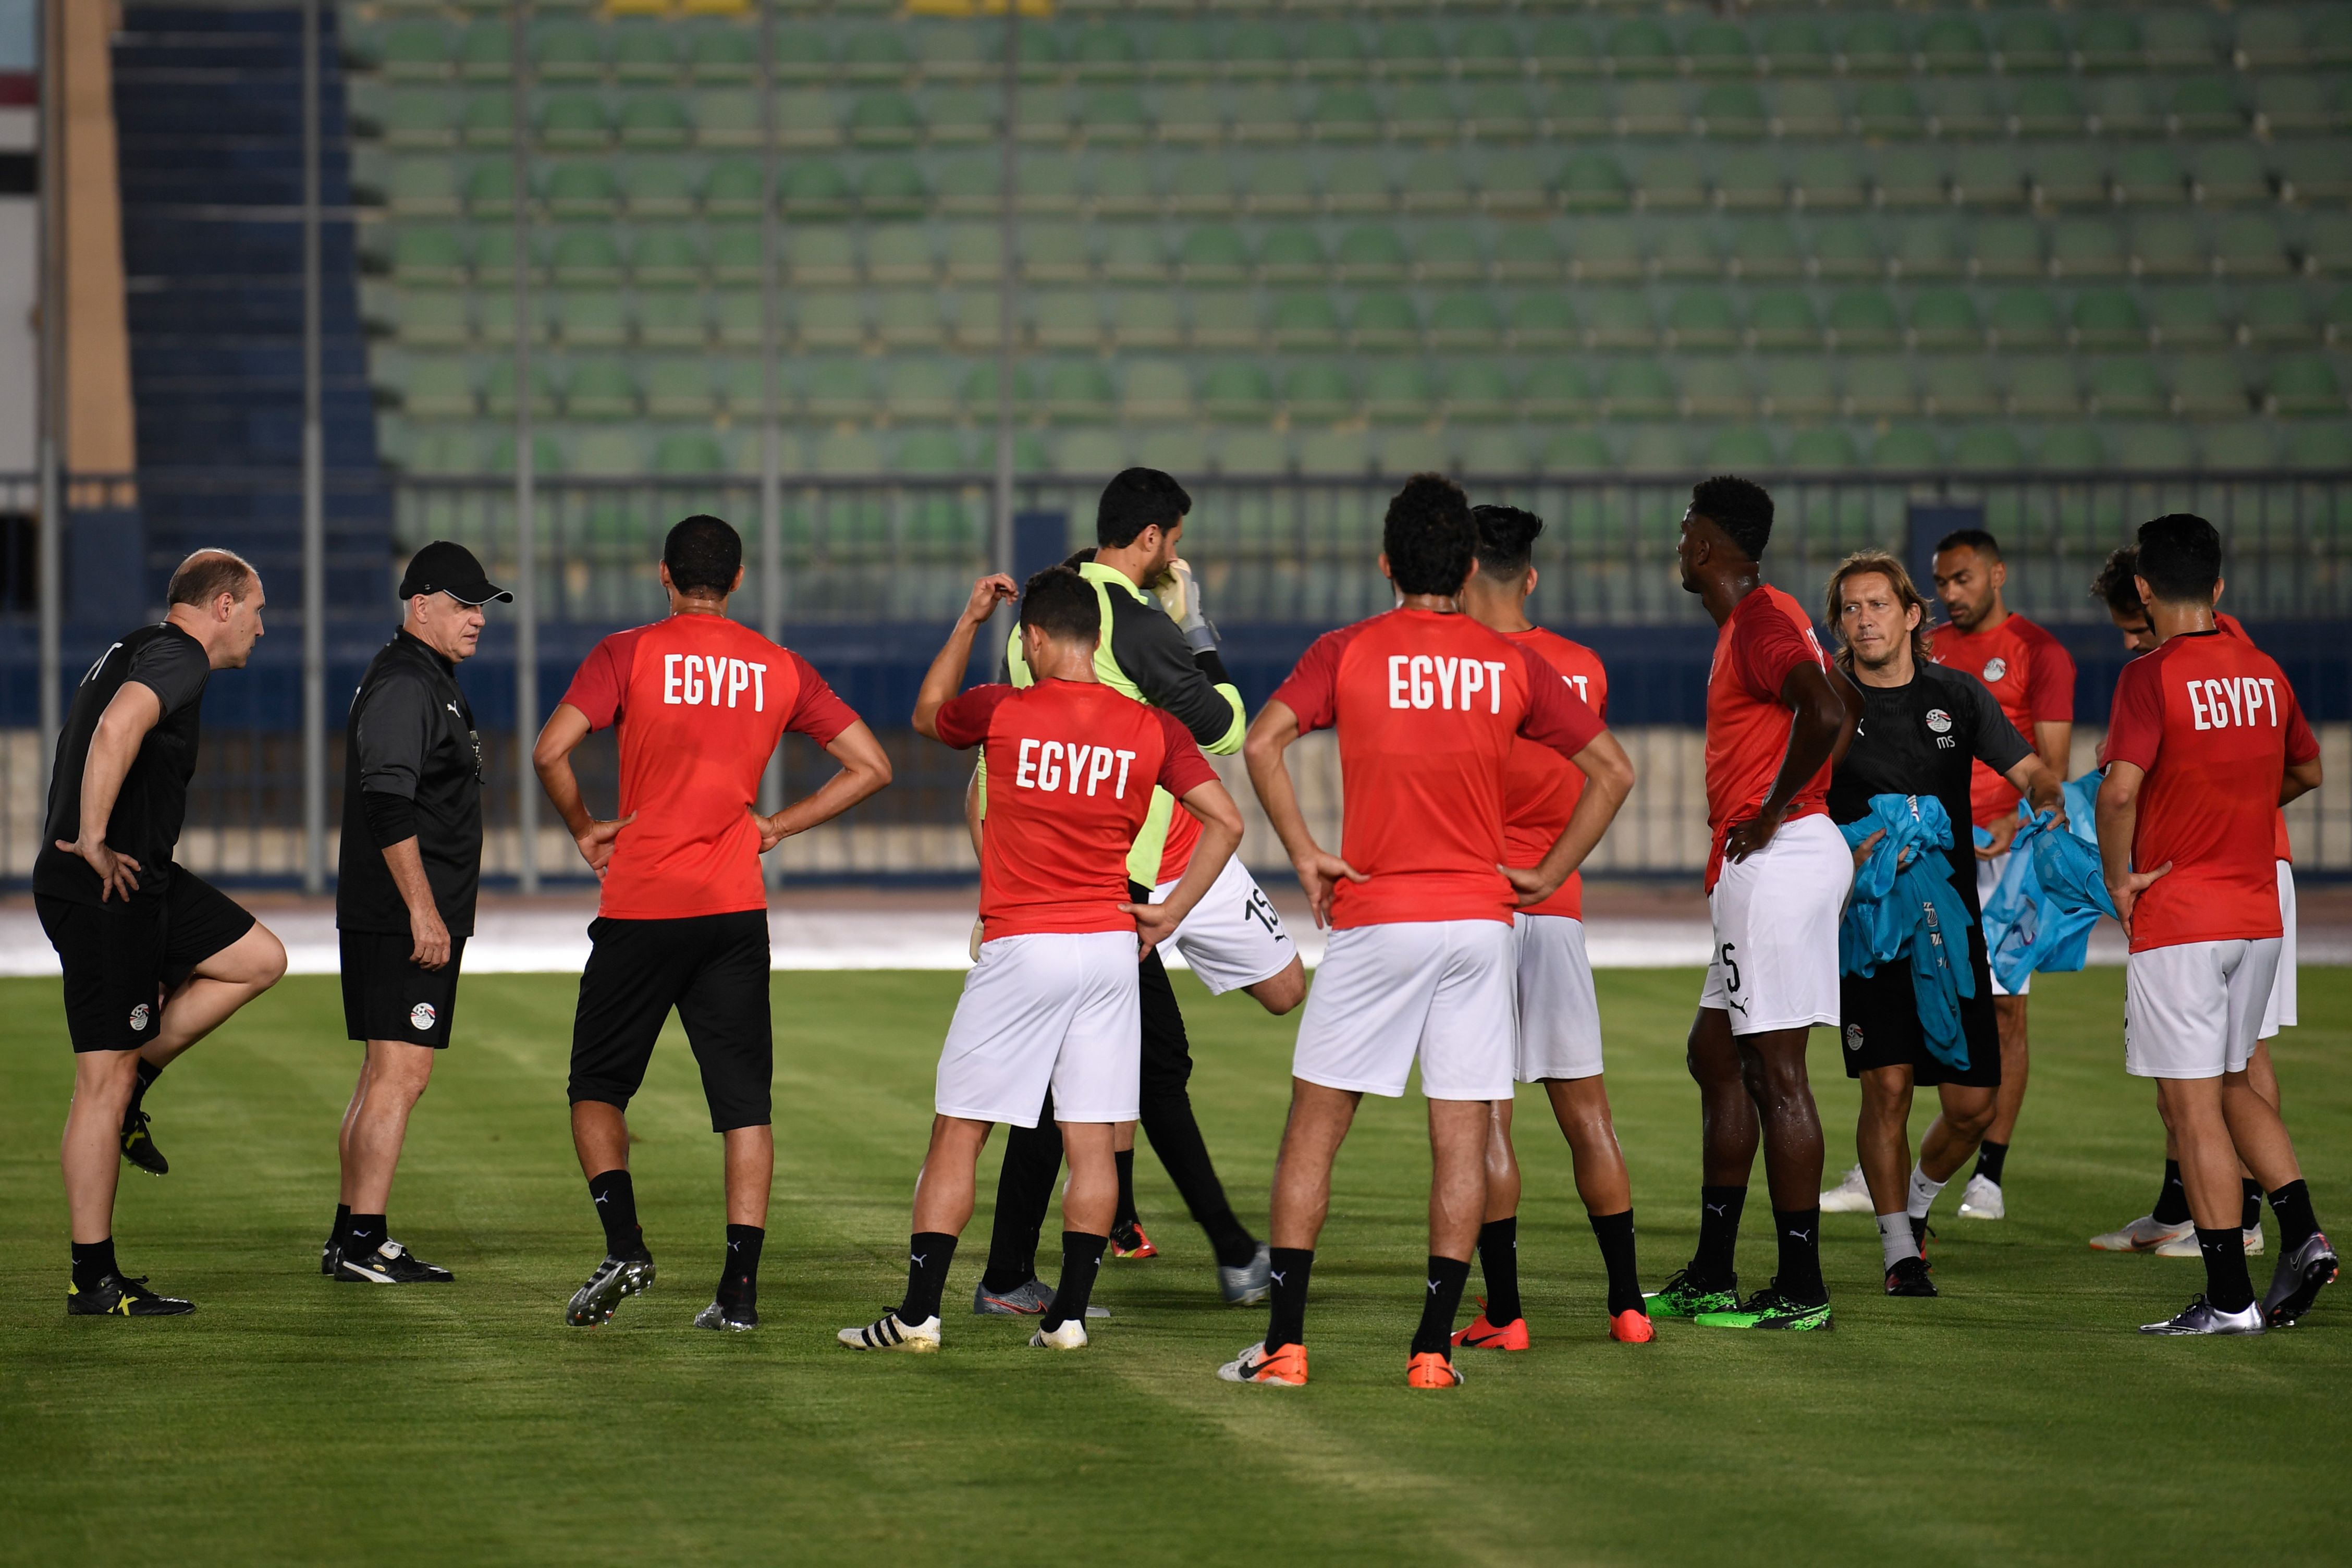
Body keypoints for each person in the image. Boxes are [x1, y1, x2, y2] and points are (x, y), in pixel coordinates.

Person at [1224, 475, 1630, 1389]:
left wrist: (1306, 854)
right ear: (1470, 568)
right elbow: (1613, 769)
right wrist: (1549, 872)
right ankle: (1433, 1350)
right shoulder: (1511, 663)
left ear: (1385, 563)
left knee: (1315, 1131)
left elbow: (1261, 742)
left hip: (1379, 914)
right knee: (1462, 1134)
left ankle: (1286, 1346)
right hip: (1482, 923)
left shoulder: (1347, 650)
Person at [838, 566, 1243, 1353]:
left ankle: (918, 1315)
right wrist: (1171, 912)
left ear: (1033, 638)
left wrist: (968, 620)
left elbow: (926, 714)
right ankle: (1069, 1318)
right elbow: (1226, 822)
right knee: (1092, 1141)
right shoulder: (1152, 727)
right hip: (1110, 949)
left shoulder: (1004, 710)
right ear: (1097, 638)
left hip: (1024, 943)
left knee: (960, 1133)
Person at [534, 516, 891, 1331]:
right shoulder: (778, 664)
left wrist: (585, 827)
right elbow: (872, 766)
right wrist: (776, 827)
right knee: (744, 1107)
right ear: (738, 580)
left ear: (664, 574)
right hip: (733, 906)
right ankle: (738, 1296)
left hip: (643, 902)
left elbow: (550, 750)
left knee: (596, 1088)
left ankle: (626, 1247)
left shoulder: (627, 653)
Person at [970, 471, 1298, 1315]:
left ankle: (1034, 1262)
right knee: (1143, 1069)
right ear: (1152, 538)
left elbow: (990, 763)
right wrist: (1195, 627)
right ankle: (1226, 1253)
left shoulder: (1040, 628)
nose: (1177, 554)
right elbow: (1227, 728)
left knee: (1240, 1011)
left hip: (1118, 864)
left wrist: (993, 885)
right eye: (1174, 540)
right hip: (1124, 873)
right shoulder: (1142, 624)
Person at [2097, 512, 2334, 1333]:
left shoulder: (2150, 677)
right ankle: (2303, 1234)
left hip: (2183, 917)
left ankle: (2231, 1299)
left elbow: (2118, 792)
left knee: (2194, 1106)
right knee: (2237, 1081)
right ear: (2220, 586)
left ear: (2144, 589)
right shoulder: (2264, 670)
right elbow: (2308, 768)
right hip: (2258, 912)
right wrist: (2237, 810)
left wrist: (2120, 881)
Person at [36, 549, 289, 1315]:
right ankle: (94, 1280)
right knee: (99, 1083)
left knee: (258, 958)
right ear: (222, 606)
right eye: (257, 610)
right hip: (103, 886)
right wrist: (92, 838)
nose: (261, 627)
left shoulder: (138, 646)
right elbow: (116, 729)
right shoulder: (180, 657)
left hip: (142, 880)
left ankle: (137, 1086)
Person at [1646, 476, 1860, 1333]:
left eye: (1684, 532)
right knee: (1716, 1054)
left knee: (1777, 1073)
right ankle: (1711, 1273)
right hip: (1785, 854)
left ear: (1705, 546)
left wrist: (1775, 809)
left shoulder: (1762, 622)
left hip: (1777, 858)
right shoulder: (1767, 618)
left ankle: (1802, 1288)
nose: (1678, 546)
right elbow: (1840, 709)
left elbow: (1827, 708)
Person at [1817, 552, 2063, 1298]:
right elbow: (1794, 799)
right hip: (1869, 930)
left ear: (1911, 615)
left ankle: (1918, 1205)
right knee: (1887, 1089)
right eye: (1851, 609)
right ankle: (1900, 1252)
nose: (1864, 620)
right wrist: (1845, 847)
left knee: (1971, 1107)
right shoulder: (1826, 703)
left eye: (1878, 605)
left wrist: (2046, 806)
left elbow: (2033, 773)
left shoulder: (1956, 696)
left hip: (1950, 926)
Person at [1450, 503, 1649, 1348]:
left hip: (1478, 906)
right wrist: (1554, 870)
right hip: (1557, 906)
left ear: (1462, 572)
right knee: (1588, 1115)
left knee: (1489, 1118)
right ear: (1530, 577)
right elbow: (1600, 777)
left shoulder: (1457, 668)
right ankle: (1628, 1307)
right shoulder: (1581, 667)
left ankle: (1505, 1314)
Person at [323, 541, 507, 1284]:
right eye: (463, 605)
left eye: (482, 607)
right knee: (401, 1075)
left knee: (383, 1074)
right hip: (402, 917)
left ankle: (351, 1236)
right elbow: (388, 800)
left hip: (396, 913)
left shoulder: (426, 677)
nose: (478, 619)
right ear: (421, 606)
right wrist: (424, 912)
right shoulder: (407, 682)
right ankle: (364, 1242)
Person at [1903, 528, 2076, 1223]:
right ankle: (1887, 1160)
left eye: (1963, 579)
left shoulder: (2040, 652)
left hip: (2008, 862)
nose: (1950, 593)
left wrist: (2013, 819)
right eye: (1941, 583)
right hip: (1934, 851)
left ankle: (1989, 1175)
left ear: (1997, 574)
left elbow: (2052, 768)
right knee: (1915, 1004)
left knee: (2006, 1011)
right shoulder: (1927, 648)